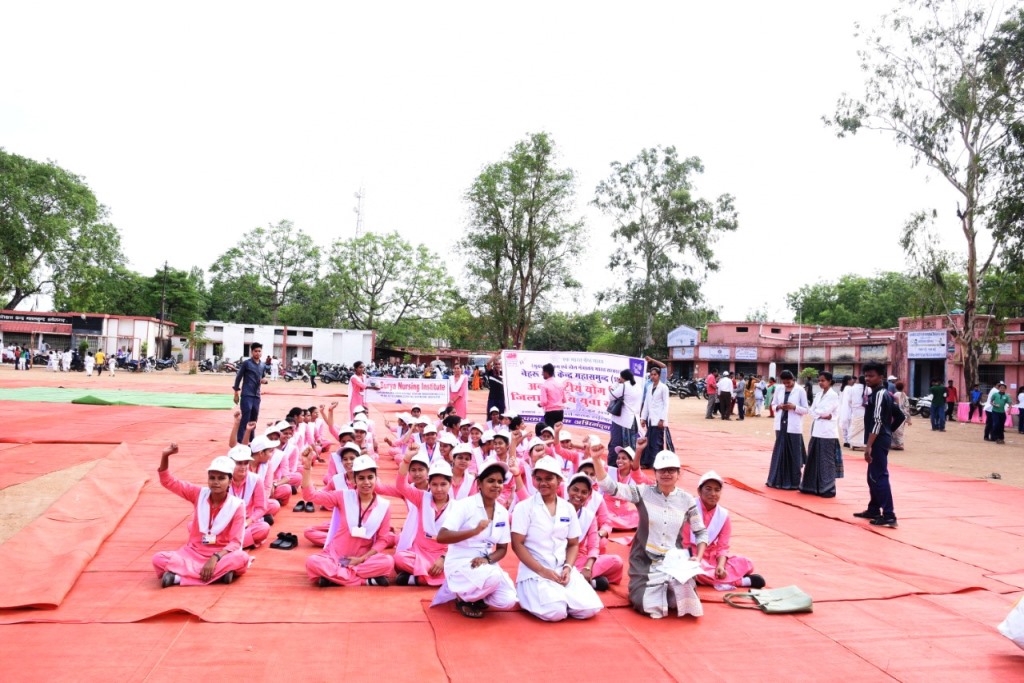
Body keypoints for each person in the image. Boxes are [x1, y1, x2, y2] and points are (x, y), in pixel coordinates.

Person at [594, 446, 707, 619]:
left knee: (682, 603)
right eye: (662, 470)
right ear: (655, 472)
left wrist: (697, 558)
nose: (666, 474)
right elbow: (610, 487)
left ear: (679, 473)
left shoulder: (687, 500)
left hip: (674, 562)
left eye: (671, 470)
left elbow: (701, 532)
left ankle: (669, 589)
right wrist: (596, 459)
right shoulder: (643, 492)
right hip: (645, 561)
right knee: (647, 605)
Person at [511, 457, 603, 621]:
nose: (543, 483)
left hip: (561, 569)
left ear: (559, 480)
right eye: (539, 479)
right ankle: (533, 594)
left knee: (589, 609)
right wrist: (542, 570)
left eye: (549, 478)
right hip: (535, 571)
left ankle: (560, 596)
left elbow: (573, 544)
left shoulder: (567, 508)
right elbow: (517, 544)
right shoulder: (524, 507)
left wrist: (568, 567)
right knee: (555, 612)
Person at [152, 445, 251, 587]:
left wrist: (215, 558)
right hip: (193, 553)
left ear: (230, 481)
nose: (216, 482)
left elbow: (236, 543)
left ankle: (179, 578)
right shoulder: (198, 494)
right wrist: (165, 456)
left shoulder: (236, 505)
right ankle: (218, 576)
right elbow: (168, 481)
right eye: (212, 478)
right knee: (158, 559)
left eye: (221, 478)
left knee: (242, 558)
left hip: (222, 555)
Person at [433, 462, 518, 619]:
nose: (496, 485)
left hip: (485, 563)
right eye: (491, 481)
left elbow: (502, 549)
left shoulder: (502, 512)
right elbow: (442, 536)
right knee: (494, 576)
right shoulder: (464, 506)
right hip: (461, 562)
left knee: (508, 600)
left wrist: (487, 559)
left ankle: (477, 595)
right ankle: (463, 598)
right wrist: (474, 531)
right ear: (479, 483)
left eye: (500, 482)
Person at [301, 453, 394, 587]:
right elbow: (310, 496)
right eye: (361, 478)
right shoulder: (342, 496)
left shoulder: (384, 505)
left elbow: (383, 540)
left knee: (388, 562)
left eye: (370, 477)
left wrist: (361, 559)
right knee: (313, 562)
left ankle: (335, 577)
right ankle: (363, 581)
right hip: (335, 556)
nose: (366, 482)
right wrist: (307, 468)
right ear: (354, 480)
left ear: (376, 479)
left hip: (363, 559)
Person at [686, 471, 765, 590]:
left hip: (711, 558)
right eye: (708, 489)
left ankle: (708, 577)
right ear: (699, 491)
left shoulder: (723, 515)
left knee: (746, 563)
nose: (713, 494)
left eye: (717, 490)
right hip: (690, 555)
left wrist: (721, 566)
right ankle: (741, 581)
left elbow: (723, 546)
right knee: (692, 567)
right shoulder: (688, 509)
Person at [853, 362, 904, 529]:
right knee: (872, 476)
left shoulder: (881, 395)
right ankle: (874, 509)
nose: (867, 379)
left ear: (881, 377)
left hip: (876, 441)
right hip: (880, 438)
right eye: (866, 376)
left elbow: (877, 421)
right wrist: (888, 431)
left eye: (871, 376)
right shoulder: (881, 394)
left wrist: (870, 444)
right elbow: (900, 416)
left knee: (879, 476)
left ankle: (889, 515)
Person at [565, 472, 623, 591]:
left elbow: (593, 547)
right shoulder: (557, 509)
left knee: (616, 562)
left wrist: (588, 567)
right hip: (558, 559)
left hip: (580, 560)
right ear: (568, 489)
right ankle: (588, 581)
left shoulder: (589, 516)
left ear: (589, 495)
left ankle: (579, 578)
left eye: (584, 492)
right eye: (575, 490)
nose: (579, 495)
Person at [800, 372, 841, 497]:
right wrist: (820, 414)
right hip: (816, 430)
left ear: (829, 381)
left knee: (826, 461)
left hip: (828, 433)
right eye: (819, 380)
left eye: (823, 380)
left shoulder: (833, 395)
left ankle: (827, 489)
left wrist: (821, 414)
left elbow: (825, 412)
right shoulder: (818, 394)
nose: (820, 383)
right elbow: (811, 411)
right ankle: (811, 487)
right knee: (813, 459)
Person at [765, 370, 808, 490]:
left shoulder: (800, 390)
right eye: (784, 383)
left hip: (794, 426)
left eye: (788, 382)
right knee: (779, 452)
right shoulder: (779, 389)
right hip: (781, 424)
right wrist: (779, 406)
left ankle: (794, 482)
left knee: (794, 454)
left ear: (793, 379)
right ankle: (776, 480)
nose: (786, 385)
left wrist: (794, 407)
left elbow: (806, 409)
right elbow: (773, 404)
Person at [232, 343, 268, 444]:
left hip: (256, 396)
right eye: (255, 351)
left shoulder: (263, 365)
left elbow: (263, 377)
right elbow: (239, 377)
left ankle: (252, 440)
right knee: (246, 417)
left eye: (259, 351)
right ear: (252, 352)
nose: (257, 353)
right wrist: (236, 392)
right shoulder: (246, 363)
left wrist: (264, 381)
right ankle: (240, 440)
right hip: (247, 394)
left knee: (254, 418)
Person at [608, 368, 644, 459]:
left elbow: (611, 396)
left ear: (623, 377)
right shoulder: (638, 386)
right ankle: (632, 462)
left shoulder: (624, 386)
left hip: (622, 420)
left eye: (620, 377)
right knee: (631, 444)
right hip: (634, 420)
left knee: (617, 443)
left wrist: (616, 384)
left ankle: (615, 463)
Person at [639, 367, 670, 465]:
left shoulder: (664, 387)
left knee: (657, 443)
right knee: (648, 441)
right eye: (651, 375)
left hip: (659, 419)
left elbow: (666, 404)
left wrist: (662, 419)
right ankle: (647, 462)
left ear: (659, 375)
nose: (653, 376)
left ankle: (656, 463)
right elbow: (646, 404)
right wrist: (643, 418)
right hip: (650, 419)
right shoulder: (649, 387)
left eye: (655, 374)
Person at [846, 375, 870, 450]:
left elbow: (849, 400)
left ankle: (854, 443)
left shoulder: (853, 388)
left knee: (854, 426)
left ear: (858, 380)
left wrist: (853, 406)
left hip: (855, 410)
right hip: (865, 410)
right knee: (863, 428)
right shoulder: (868, 389)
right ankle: (862, 444)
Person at [538, 362, 565, 427]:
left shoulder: (544, 386)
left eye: (543, 372)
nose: (542, 374)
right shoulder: (560, 385)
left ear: (546, 372)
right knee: (557, 431)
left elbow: (544, 402)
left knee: (550, 431)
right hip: (560, 412)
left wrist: (540, 404)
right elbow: (564, 400)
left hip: (550, 413)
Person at [891, 381, 911, 450]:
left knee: (896, 430)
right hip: (904, 415)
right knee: (900, 430)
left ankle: (898, 444)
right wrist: (909, 418)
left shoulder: (895, 394)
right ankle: (899, 444)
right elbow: (907, 406)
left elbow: (894, 404)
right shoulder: (904, 395)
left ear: (896, 387)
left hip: (897, 414)